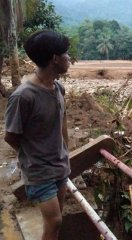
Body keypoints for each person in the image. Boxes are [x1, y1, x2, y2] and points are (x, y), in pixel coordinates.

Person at [4, 30, 71, 240]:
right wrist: (33, 156)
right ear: (55, 59)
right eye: (65, 54)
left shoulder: (58, 88)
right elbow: (11, 136)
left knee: (55, 222)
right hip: (39, 171)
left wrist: (65, 150)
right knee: (55, 221)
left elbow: (62, 121)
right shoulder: (23, 96)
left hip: (60, 165)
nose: (69, 58)